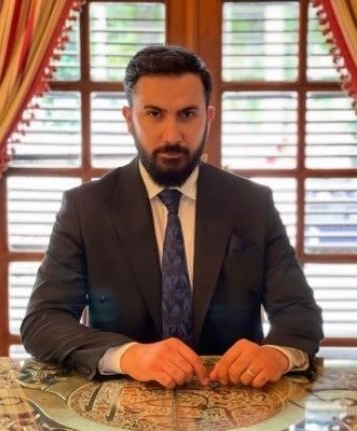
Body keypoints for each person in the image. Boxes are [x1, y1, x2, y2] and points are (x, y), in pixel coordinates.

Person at [21, 45, 323, 389]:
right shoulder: (85, 207)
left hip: (234, 401)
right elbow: (43, 321)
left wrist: (276, 354)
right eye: (154, 114)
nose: (172, 136)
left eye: (187, 114)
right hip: (121, 404)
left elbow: (300, 312)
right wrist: (127, 355)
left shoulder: (252, 203)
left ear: (208, 117)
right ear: (128, 118)